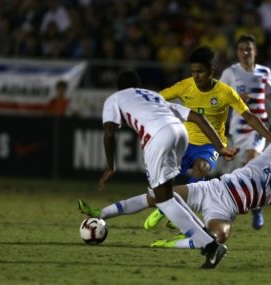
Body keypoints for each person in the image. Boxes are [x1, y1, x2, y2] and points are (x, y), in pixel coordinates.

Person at [78, 126, 271, 254]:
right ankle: (101, 214)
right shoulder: (269, 156)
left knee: (220, 237)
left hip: (224, 210)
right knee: (155, 196)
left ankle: (172, 244)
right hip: (211, 189)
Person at [79, 70, 240, 269]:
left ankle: (209, 245)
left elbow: (109, 133)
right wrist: (220, 147)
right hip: (181, 133)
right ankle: (206, 238)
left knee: (162, 200)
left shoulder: (115, 98)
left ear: (119, 88)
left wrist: (110, 166)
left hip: (158, 136)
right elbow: (197, 117)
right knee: (165, 196)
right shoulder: (153, 96)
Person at [142, 45, 271, 230]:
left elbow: (250, 117)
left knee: (202, 167)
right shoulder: (184, 86)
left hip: (211, 145)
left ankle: (180, 210)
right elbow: (155, 99)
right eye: (193, 71)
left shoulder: (225, 92)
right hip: (184, 142)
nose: (196, 76)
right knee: (165, 176)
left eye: (200, 71)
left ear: (211, 71)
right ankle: (165, 206)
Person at [220, 34, 271, 230]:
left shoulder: (264, 72)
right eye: (241, 49)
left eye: (249, 48)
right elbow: (219, 97)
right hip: (238, 127)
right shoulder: (230, 72)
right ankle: (242, 206)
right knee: (236, 171)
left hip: (259, 126)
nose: (245, 52)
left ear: (255, 51)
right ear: (237, 52)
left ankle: (256, 209)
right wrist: (236, 98)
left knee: (252, 159)